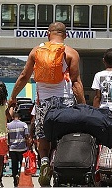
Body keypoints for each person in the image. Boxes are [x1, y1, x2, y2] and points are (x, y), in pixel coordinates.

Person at [10, 22, 85, 187]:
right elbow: (76, 83)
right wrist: (84, 106)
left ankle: (44, 161)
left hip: (43, 102)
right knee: (64, 137)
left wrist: (13, 97)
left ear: (47, 34)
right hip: (65, 102)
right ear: (65, 35)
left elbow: (24, 76)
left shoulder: (36, 51)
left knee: (43, 137)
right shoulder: (71, 53)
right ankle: (58, 164)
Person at [7, 111, 30, 187]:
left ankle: (15, 180)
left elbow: (7, 137)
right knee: (22, 165)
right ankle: (20, 177)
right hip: (22, 148)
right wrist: (29, 146)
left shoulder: (8, 125)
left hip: (12, 149)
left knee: (14, 165)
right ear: (19, 118)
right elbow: (26, 136)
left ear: (13, 117)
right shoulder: (24, 124)